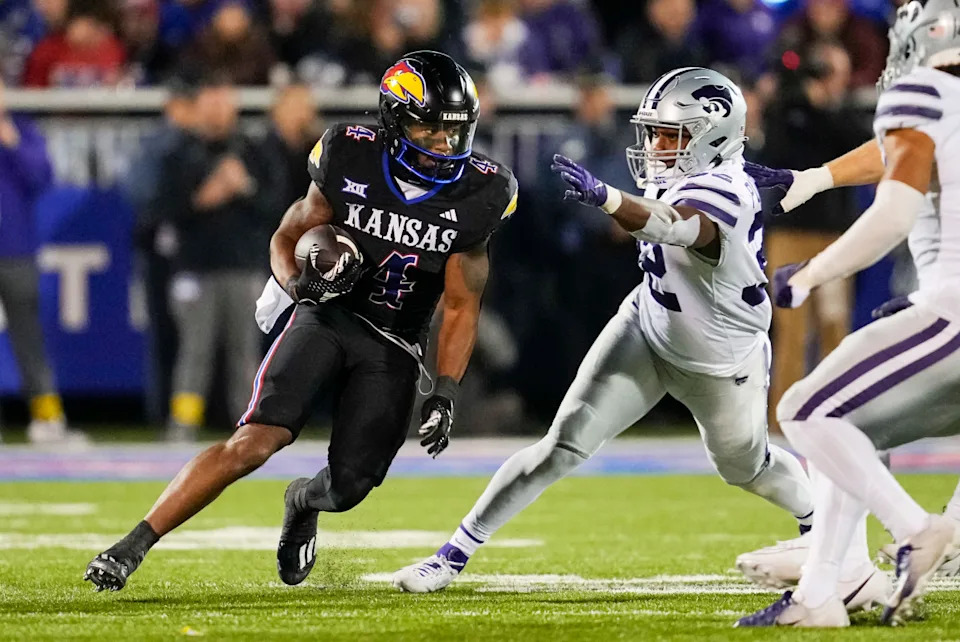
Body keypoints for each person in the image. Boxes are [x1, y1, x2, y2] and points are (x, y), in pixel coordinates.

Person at [391, 67, 834, 600]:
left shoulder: (727, 191)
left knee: (746, 467)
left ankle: (822, 526)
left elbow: (676, 225)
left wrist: (608, 199)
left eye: (670, 135)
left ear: (712, 137)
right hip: (648, 324)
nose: (656, 146)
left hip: (721, 358)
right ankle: (452, 555)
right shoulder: (699, 168)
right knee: (560, 446)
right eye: (655, 132)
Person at [83, 50, 518, 592]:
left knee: (350, 487)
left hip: (396, 343)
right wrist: (297, 286)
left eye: (453, 131)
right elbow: (288, 235)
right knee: (252, 442)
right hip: (329, 315)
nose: (443, 144)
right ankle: (131, 546)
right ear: (393, 119)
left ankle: (304, 501)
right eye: (428, 128)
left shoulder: (481, 192)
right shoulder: (350, 153)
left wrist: (446, 390)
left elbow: (460, 305)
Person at [736, 0, 960, 627]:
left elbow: (892, 213)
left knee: (804, 410)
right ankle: (823, 590)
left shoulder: (924, 92)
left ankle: (916, 529)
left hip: (954, 312)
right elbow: (902, 150)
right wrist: (814, 179)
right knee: (851, 424)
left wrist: (811, 274)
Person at [159, 76, 281, 441]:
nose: (215, 113)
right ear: (198, 108)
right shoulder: (181, 153)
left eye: (221, 104)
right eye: (209, 105)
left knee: (245, 353)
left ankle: (248, 425)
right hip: (195, 267)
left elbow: (278, 205)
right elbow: (161, 210)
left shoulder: (253, 150)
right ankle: (183, 425)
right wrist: (202, 199)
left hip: (243, 266)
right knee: (194, 351)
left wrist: (245, 188)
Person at [761, 41, 871, 426]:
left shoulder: (843, 113)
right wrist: (806, 103)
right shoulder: (785, 109)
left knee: (834, 326)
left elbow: (857, 144)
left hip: (833, 239)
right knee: (790, 328)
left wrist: (825, 106)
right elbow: (777, 154)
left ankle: (832, 413)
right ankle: (782, 417)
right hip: (790, 234)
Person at [0, 76, 83, 445]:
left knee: (29, 339)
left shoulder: (20, 130)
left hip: (15, 250)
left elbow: (42, 177)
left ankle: (47, 418)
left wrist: (11, 142)